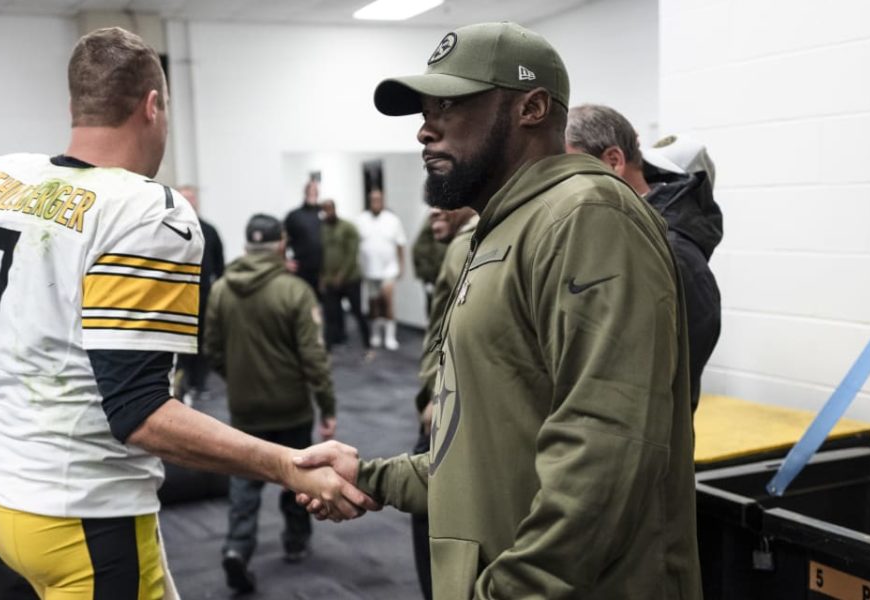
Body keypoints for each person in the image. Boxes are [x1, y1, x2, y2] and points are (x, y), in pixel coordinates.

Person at [0, 27, 374, 600]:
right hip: (86, 521)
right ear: (153, 106)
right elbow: (140, 411)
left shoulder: (1, 182)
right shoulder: (147, 210)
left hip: (3, 502)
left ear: (75, 104)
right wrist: (288, 465)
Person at [297, 22, 702, 599]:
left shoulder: (587, 216)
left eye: (450, 106)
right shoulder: (500, 229)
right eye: (425, 109)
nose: (424, 130)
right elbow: (484, 441)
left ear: (531, 108)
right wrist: (370, 478)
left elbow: (607, 448)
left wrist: (513, 590)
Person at [203, 214, 338, 592]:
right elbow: (315, 359)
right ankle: (296, 542)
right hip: (291, 406)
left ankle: (236, 549)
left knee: (244, 485)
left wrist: (239, 380)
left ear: (246, 246)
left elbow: (212, 350)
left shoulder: (221, 290)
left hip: (245, 409)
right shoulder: (295, 291)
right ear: (281, 244)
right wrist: (327, 408)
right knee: (297, 477)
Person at [565, 104, 723, 412]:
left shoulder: (672, 255)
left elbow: (666, 382)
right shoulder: (605, 236)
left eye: (567, 171)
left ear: (613, 162)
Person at [411, 204, 477, 600]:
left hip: (455, 412)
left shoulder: (471, 243)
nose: (435, 208)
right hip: (444, 404)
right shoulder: (459, 244)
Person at [175, 184, 225, 404]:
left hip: (204, 296)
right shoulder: (169, 229)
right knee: (182, 342)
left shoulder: (209, 230)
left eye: (191, 198)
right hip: (179, 297)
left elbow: (220, 264)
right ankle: (183, 382)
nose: (189, 202)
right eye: (184, 198)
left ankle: (200, 382)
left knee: (203, 341)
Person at [355, 188, 407, 350]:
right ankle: (376, 335)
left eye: (379, 199)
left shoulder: (392, 220)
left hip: (389, 269)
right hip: (369, 270)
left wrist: (401, 266)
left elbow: (400, 244)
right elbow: (356, 244)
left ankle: (390, 337)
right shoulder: (361, 219)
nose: (376, 202)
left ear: (383, 201)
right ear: (369, 201)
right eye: (373, 199)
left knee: (388, 300)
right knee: (373, 304)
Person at [319, 198, 371, 350]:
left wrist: (342, 274)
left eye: (330, 209)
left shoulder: (348, 227)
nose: (328, 212)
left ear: (335, 209)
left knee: (357, 312)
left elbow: (352, 252)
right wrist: (322, 276)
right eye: (325, 210)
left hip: (351, 279)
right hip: (330, 280)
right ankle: (328, 348)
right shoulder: (322, 229)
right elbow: (321, 254)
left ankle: (367, 344)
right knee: (330, 315)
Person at [284, 179, 324, 294]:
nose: (312, 193)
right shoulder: (294, 216)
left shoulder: (324, 214)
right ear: (305, 192)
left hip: (323, 272)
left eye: (315, 191)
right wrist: (284, 261)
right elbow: (282, 239)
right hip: (302, 271)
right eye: (310, 190)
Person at [411, 218, 447, 316]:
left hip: (443, 273)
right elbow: (419, 248)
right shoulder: (437, 218)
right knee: (435, 312)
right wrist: (428, 278)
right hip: (435, 275)